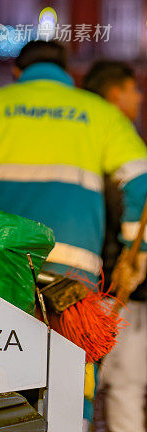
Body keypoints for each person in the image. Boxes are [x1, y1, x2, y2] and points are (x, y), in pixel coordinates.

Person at [0, 41, 147, 427]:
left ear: (17, 72)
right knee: (70, 369)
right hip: (74, 274)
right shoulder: (98, 113)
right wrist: (138, 252)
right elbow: (141, 182)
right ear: (67, 72)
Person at [83, 60, 147, 432]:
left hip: (84, 283)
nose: (138, 97)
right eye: (133, 88)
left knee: (77, 391)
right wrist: (134, 257)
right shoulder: (120, 141)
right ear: (115, 93)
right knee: (124, 389)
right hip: (119, 288)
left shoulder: (79, 137)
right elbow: (137, 196)